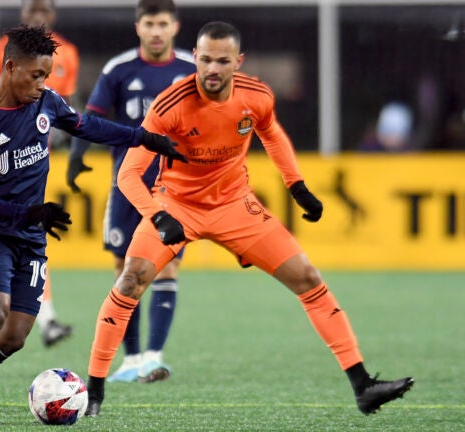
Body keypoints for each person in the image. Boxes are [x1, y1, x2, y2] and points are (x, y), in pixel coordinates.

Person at [84, 21, 414, 417]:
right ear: (196, 57)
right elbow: (127, 174)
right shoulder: (170, 104)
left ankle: (363, 386)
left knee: (308, 277)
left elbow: (271, 134)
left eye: (222, 61)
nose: (211, 69)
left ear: (237, 62)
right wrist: (156, 216)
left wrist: (297, 186)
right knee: (131, 280)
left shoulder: (256, 96)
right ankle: (94, 394)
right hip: (177, 203)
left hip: (234, 205)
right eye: (204, 59)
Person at [0, 24, 186, 424]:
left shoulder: (47, 103)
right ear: (10, 67)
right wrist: (28, 214)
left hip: (31, 234)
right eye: (36, 75)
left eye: (46, 75)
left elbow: (86, 126)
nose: (42, 84)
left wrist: (142, 137)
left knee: (15, 336)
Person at [66, 0, 194, 384]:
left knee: (167, 264)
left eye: (163, 24)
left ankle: (154, 356)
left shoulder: (192, 69)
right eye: (150, 23)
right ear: (138, 26)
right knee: (124, 267)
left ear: (175, 27)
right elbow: (92, 118)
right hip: (129, 182)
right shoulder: (119, 69)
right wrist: (76, 157)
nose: (156, 31)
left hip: (176, 186)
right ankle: (132, 359)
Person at [0, 0, 80, 347]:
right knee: (17, 233)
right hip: (5, 163)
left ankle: (39, 316)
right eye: (31, 9)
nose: (37, 16)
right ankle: (29, 313)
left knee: (31, 237)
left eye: (43, 10)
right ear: (22, 15)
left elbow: (62, 110)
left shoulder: (69, 54)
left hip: (37, 161)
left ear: (53, 15)